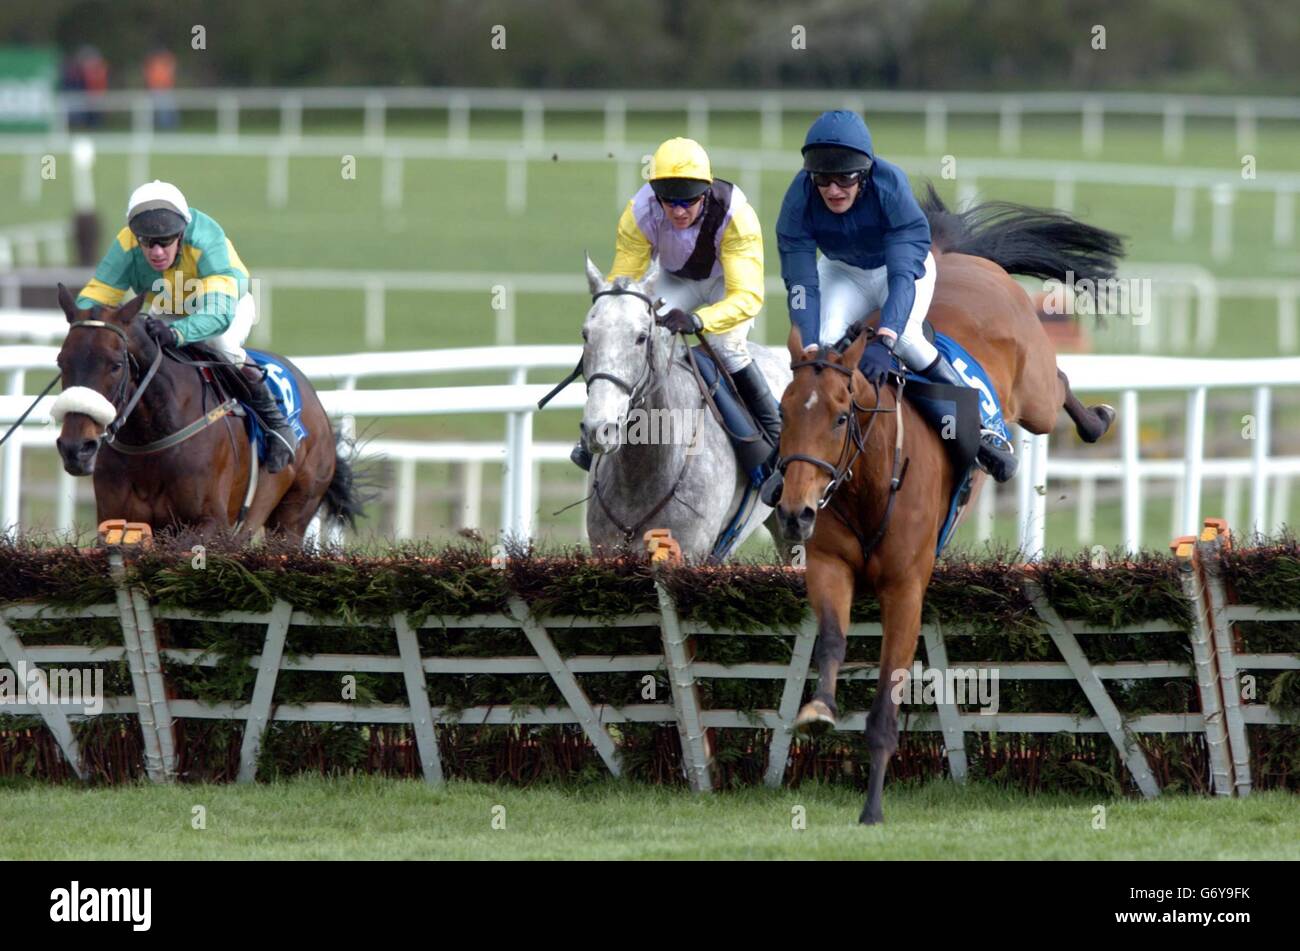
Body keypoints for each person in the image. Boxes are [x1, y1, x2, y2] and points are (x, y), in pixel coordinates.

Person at [775, 110, 1017, 482]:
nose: (833, 190)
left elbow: (904, 276)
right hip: (843, 271)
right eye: (823, 179)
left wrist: (885, 340)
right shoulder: (798, 200)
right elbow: (801, 283)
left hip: (900, 267)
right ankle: (805, 456)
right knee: (822, 351)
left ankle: (984, 425)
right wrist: (808, 345)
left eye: (844, 179)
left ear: (865, 174)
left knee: (907, 338)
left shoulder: (890, 189)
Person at [572, 136, 779, 477]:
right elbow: (623, 287)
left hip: (726, 283)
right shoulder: (638, 213)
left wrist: (698, 321)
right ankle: (602, 430)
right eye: (670, 202)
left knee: (724, 347)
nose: (679, 211)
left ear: (706, 193)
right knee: (628, 329)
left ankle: (774, 441)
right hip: (677, 279)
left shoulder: (736, 215)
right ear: (657, 196)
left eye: (689, 202)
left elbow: (747, 298)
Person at [75, 180, 297, 472]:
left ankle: (277, 424)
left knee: (222, 347)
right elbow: (95, 296)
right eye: (147, 241)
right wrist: (84, 327)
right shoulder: (126, 243)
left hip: (224, 306)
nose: (155, 251)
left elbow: (217, 316)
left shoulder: (207, 241)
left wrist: (177, 333)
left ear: (181, 233)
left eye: (165, 241)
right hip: (167, 309)